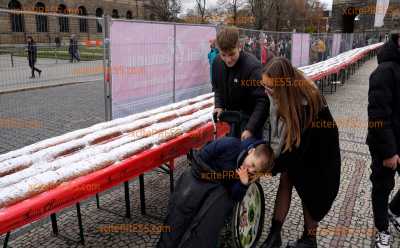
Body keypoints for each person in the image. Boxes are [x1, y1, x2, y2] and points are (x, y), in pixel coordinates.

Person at [259, 57, 341, 248]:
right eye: (265, 85)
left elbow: (296, 152)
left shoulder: (308, 102)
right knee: (285, 181)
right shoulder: (282, 92)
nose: (266, 91)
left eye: (270, 88)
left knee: (310, 191)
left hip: (321, 155)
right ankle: (274, 235)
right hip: (299, 146)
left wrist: (270, 168)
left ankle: (310, 239)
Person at [157, 136, 275, 248]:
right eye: (253, 164)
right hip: (200, 179)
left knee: (203, 228)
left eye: (255, 170)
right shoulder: (231, 144)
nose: (250, 170)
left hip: (216, 192)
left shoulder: (246, 176)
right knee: (179, 217)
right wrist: (211, 178)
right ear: (251, 151)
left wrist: (242, 184)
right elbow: (204, 155)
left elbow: (235, 196)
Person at [367, 31, 400, 248]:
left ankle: (393, 211)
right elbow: (377, 117)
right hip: (385, 143)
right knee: (382, 186)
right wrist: (389, 152)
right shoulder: (383, 71)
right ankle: (382, 230)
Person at [211, 27, 269, 140]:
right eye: (223, 55)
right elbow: (218, 88)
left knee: (248, 155)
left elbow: (263, 101)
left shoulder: (252, 67)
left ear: (239, 47)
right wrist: (218, 105)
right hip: (233, 117)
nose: (228, 60)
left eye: (232, 54)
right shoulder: (216, 63)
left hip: (251, 118)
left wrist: (250, 128)